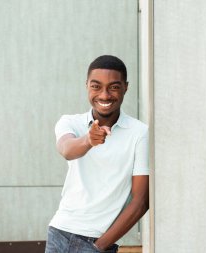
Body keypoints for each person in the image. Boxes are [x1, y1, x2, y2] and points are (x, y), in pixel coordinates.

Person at [45, 55, 149, 253]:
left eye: (114, 87)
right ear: (86, 86)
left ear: (126, 87)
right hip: (60, 233)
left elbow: (141, 200)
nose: (104, 95)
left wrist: (100, 246)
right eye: (96, 86)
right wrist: (88, 140)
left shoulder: (139, 133)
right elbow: (66, 149)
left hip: (99, 241)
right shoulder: (70, 122)